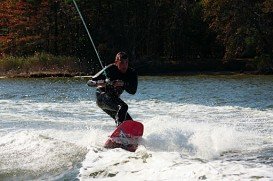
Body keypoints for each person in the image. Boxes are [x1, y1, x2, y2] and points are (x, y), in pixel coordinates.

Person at [87, 52, 138, 126]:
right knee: (123, 107)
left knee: (130, 124)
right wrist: (104, 83)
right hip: (102, 98)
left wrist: (123, 84)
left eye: (126, 62)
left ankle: (122, 135)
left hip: (114, 101)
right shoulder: (110, 69)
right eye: (122, 62)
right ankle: (120, 130)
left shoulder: (131, 73)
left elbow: (133, 91)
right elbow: (89, 82)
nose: (124, 65)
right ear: (116, 62)